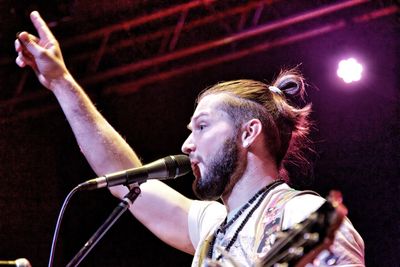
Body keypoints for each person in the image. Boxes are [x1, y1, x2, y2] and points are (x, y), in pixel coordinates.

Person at [15, 11, 364, 266]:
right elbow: (123, 177)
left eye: (202, 126)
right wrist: (61, 82)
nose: (186, 145)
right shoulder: (211, 227)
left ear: (248, 132)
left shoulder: (305, 214)